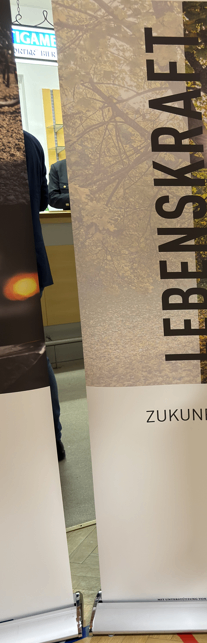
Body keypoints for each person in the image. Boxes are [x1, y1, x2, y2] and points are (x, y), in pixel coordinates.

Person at [23, 131, 65, 460]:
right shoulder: (30, 142)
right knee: (35, 355)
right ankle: (54, 436)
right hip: (29, 264)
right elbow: (41, 202)